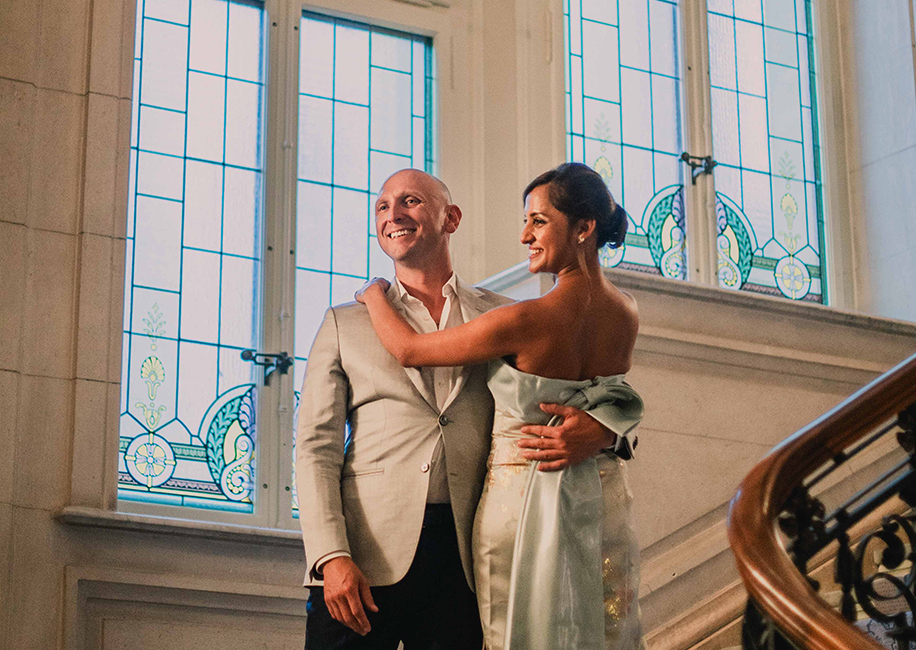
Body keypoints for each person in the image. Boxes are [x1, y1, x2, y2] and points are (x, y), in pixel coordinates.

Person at [295, 167, 629, 650]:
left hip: (469, 564)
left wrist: (605, 432)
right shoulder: (343, 323)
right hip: (363, 561)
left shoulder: (505, 315)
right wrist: (331, 556)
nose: (393, 214)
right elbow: (315, 448)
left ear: (451, 219)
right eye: (383, 206)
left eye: (410, 201)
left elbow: (587, 396)